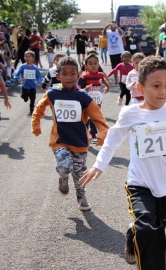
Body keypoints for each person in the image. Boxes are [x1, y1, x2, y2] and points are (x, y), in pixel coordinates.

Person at [78, 56, 166, 269]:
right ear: (141, 87)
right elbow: (113, 139)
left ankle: (133, 233)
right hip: (140, 184)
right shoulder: (131, 113)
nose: (163, 91)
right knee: (150, 230)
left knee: (155, 231)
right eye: (156, 86)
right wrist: (98, 165)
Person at [31, 56, 109, 211]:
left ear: (78, 75)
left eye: (72, 73)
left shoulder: (83, 96)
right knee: (65, 165)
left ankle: (81, 196)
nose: (68, 77)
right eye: (64, 74)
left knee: (79, 173)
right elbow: (39, 109)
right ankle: (63, 178)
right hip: (59, 140)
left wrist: (103, 133)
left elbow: (97, 116)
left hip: (79, 142)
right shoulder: (52, 93)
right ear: (58, 76)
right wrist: (36, 124)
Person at [77, 53, 110, 143]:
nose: (93, 66)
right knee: (86, 118)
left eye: (95, 63)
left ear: (98, 65)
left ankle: (93, 133)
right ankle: (84, 134)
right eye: (90, 64)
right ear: (86, 66)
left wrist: (107, 86)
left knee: (94, 117)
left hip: (97, 101)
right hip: (86, 102)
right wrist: (85, 89)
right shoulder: (84, 77)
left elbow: (102, 80)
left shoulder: (100, 75)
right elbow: (78, 88)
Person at [14, 50, 42, 115]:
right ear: (24, 58)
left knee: (33, 98)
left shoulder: (35, 68)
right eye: (26, 57)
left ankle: (32, 109)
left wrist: (39, 82)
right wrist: (17, 79)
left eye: (29, 57)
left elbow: (39, 76)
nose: (27, 58)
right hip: (24, 85)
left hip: (33, 85)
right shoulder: (23, 66)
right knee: (25, 98)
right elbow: (16, 73)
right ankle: (24, 96)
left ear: (33, 58)